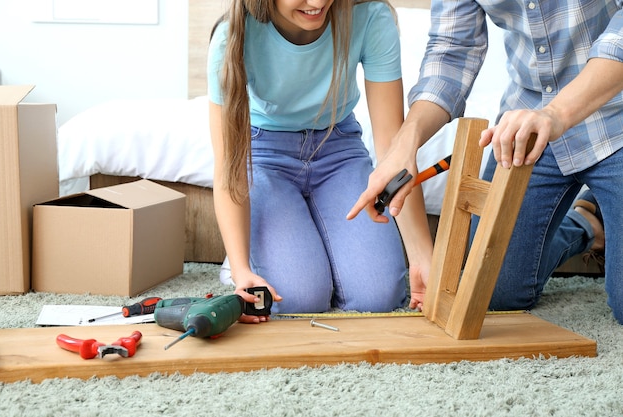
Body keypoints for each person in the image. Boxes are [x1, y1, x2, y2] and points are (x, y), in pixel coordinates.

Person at [347, 0, 623, 323]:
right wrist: (405, 142)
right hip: (527, 126)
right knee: (493, 293)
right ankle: (590, 222)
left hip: (613, 114)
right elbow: (451, 53)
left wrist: (556, 113)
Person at [207, 0, 434, 322]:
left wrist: (422, 255)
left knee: (380, 296)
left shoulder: (369, 16)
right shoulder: (232, 35)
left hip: (338, 148)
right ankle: (244, 255)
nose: (317, 3)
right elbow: (229, 167)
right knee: (298, 299)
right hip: (265, 154)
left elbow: (392, 147)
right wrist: (242, 268)